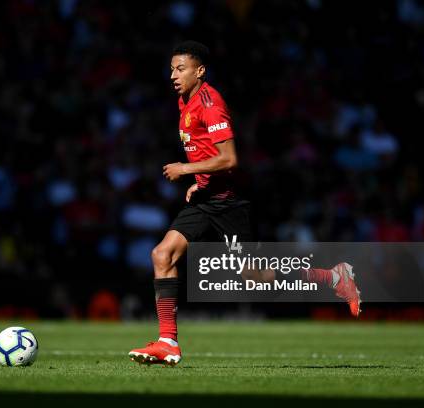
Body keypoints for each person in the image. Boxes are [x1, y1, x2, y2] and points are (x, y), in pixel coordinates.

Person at [128, 41, 361, 367]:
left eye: (180, 69)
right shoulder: (185, 101)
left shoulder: (211, 103)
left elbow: (229, 158)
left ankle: (334, 278)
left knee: (256, 278)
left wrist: (186, 169)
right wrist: (201, 181)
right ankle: (168, 342)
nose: (173, 75)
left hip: (230, 204)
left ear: (200, 71)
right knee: (161, 254)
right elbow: (208, 153)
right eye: (171, 69)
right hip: (206, 198)